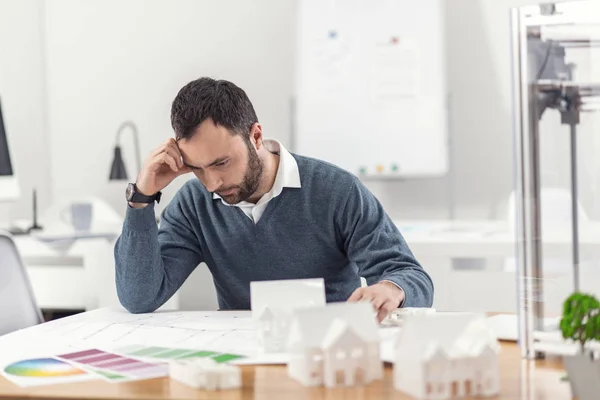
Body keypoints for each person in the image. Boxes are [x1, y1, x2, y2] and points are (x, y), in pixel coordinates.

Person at [114, 77, 433, 322]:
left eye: (221, 163)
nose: (212, 184)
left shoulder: (335, 190)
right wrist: (141, 197)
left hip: (329, 352)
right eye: (197, 168)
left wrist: (390, 290)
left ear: (255, 136)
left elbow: (412, 276)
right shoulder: (193, 204)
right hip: (243, 362)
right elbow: (139, 298)